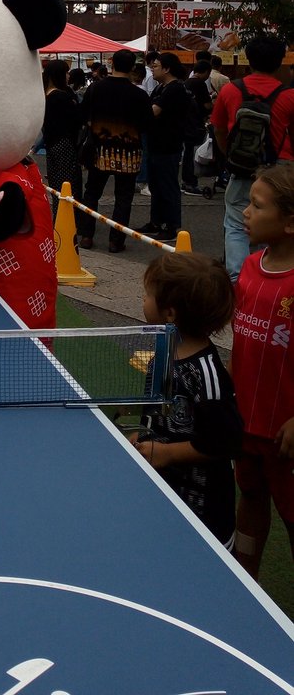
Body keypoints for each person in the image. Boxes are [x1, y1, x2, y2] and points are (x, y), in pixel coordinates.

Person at [132, 250, 242, 548]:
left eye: (148, 294)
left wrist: (167, 453)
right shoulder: (164, 351)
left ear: (170, 313)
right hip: (166, 491)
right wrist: (144, 435)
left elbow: (226, 441)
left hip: (205, 510)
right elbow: (158, 411)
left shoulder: (206, 374)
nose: (143, 299)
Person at [231, 163, 294, 579]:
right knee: (250, 499)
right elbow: (241, 344)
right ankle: (245, 578)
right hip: (246, 425)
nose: (246, 212)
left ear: (290, 223)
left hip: (285, 437)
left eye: (257, 205)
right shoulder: (251, 267)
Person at [211, 35, 294, 282]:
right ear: (280, 62)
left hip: (243, 166)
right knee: (277, 221)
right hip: (281, 170)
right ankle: (272, 275)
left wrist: (230, 156)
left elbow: (219, 129)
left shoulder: (230, 90)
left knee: (237, 224)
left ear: (248, 58)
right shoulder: (289, 96)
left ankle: (239, 281)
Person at [75, 48, 151, 253]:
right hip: (129, 154)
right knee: (123, 198)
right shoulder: (139, 94)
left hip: (99, 151)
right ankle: (116, 241)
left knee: (92, 193)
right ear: (132, 68)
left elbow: (82, 115)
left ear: (112, 64)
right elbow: (147, 124)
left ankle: (87, 235)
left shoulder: (95, 89)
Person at [138, 51, 188, 242]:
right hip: (156, 143)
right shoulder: (161, 87)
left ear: (167, 69)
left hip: (168, 145)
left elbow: (153, 112)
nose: (152, 69)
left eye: (156, 66)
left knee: (167, 185)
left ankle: (172, 226)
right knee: (156, 184)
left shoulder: (175, 89)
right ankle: (156, 222)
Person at [40, 58, 82, 219]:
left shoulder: (45, 95)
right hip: (65, 143)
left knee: (56, 182)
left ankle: (59, 216)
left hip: (51, 144)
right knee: (68, 182)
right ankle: (68, 218)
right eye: (66, 72)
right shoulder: (62, 97)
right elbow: (76, 120)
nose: (68, 76)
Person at [181, 60, 214, 195]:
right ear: (206, 72)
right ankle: (191, 183)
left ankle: (186, 182)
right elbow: (207, 105)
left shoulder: (186, 82)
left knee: (187, 154)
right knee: (193, 154)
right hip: (195, 124)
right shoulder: (200, 83)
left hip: (186, 122)